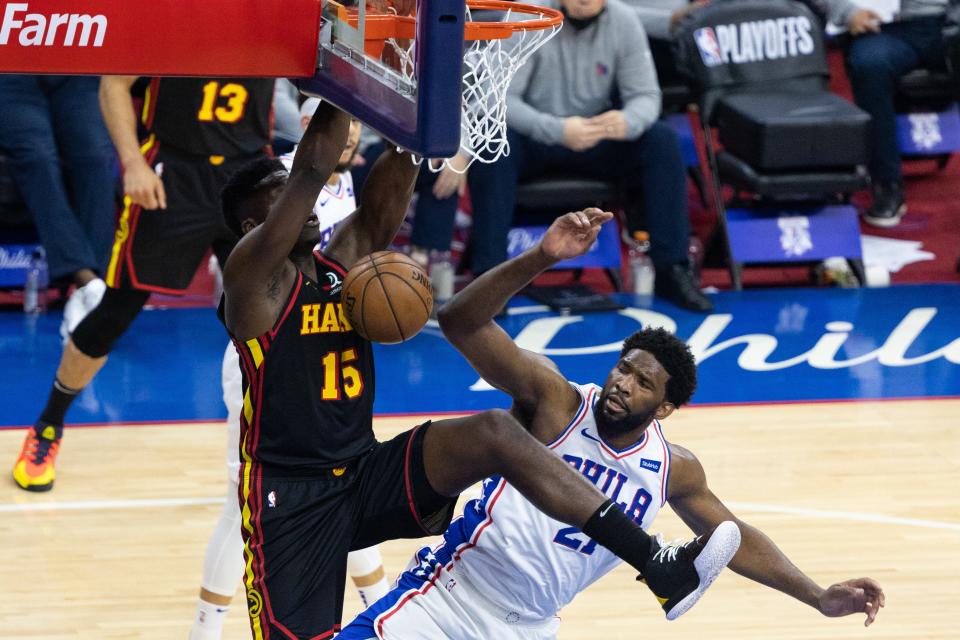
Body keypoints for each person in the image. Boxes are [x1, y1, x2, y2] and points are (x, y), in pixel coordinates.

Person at [218, 100, 740, 639]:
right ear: (255, 224)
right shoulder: (253, 281)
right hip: (291, 496)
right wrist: (339, 79)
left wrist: (410, 112)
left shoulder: (339, 268)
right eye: (279, 195)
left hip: (362, 470)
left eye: (292, 188)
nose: (301, 198)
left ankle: (658, 565)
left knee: (493, 431)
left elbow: (379, 210)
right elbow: (310, 170)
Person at [338, 207, 886, 639]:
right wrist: (542, 257)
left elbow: (733, 540)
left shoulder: (672, 468)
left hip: (529, 629)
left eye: (644, 384)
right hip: (447, 597)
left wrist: (816, 596)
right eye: (624, 369)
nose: (624, 384)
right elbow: (459, 321)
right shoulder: (554, 400)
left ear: (666, 408)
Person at [11, 76, 274, 492]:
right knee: (116, 311)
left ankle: (287, 445)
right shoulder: (167, 11)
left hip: (249, 173)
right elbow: (113, 83)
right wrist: (133, 163)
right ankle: (48, 426)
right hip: (175, 171)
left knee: (274, 314)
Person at [188, 100, 387, 640]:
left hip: (327, 382)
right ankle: (205, 629)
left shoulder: (331, 214)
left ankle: (386, 608)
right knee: (243, 504)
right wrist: (351, 79)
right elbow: (310, 171)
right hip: (264, 370)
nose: (313, 204)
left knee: (346, 477)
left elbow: (373, 217)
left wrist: (413, 134)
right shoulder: (281, 208)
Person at [467, 0, 712, 312]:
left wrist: (626, 122)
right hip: (534, 136)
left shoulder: (624, 21)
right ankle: (490, 277)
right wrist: (557, 130)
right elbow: (500, 99)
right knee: (494, 145)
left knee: (661, 140)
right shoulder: (529, 16)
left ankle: (671, 269)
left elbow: (646, 96)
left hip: (596, 134)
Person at [0, 75, 116, 339]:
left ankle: (93, 292)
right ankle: (86, 280)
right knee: (38, 155)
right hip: (8, 71)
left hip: (71, 69)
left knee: (97, 156)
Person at [822, 0, 949, 227]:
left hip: (947, 21)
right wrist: (847, 12)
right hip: (885, 28)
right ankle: (886, 182)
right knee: (870, 64)